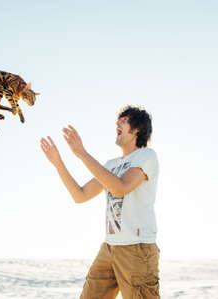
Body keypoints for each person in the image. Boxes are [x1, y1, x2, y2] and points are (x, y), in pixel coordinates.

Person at [40, 105, 160, 299]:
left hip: (137, 249)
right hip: (110, 247)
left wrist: (81, 153)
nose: (117, 124)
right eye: (117, 121)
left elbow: (120, 188)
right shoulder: (111, 165)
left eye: (124, 121)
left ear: (137, 130)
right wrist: (59, 163)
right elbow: (80, 195)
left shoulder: (146, 156)